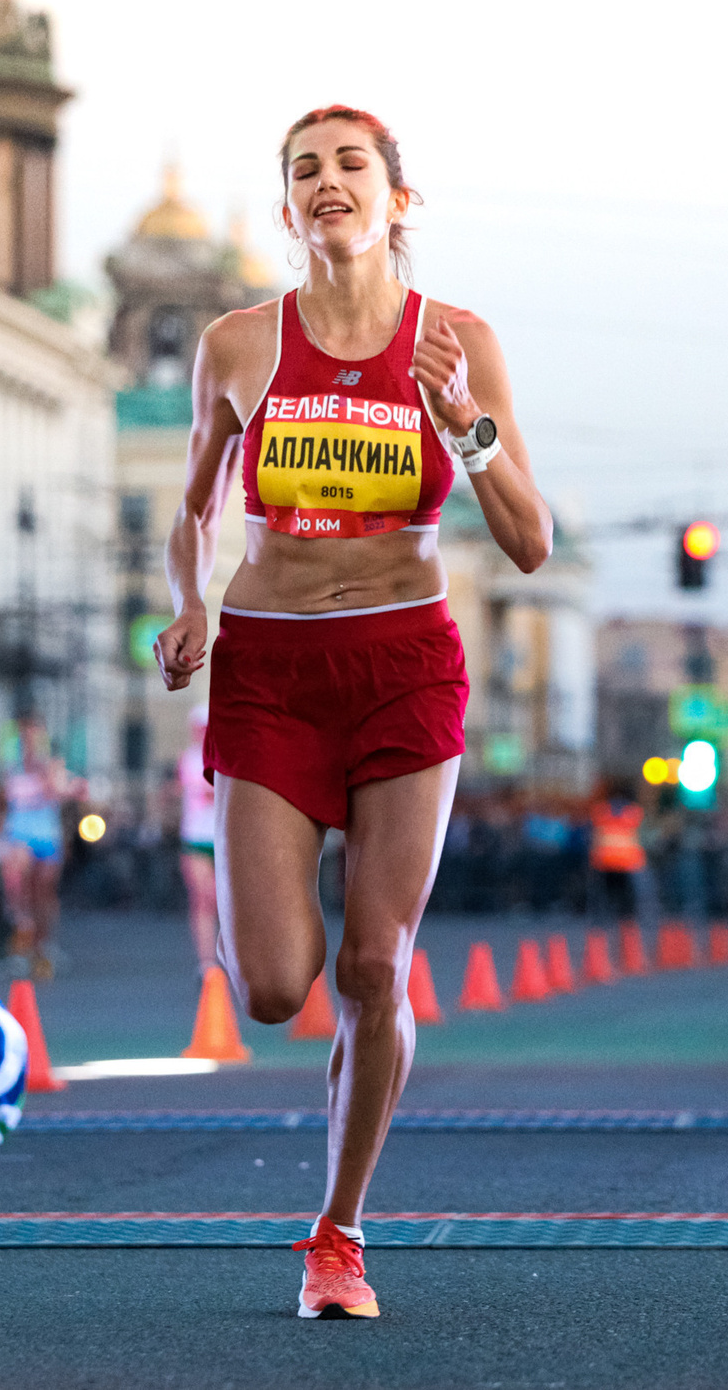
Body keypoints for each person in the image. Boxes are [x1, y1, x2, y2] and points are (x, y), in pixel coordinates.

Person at [154, 105, 553, 1319]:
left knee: (375, 964)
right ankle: (321, 1113)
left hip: (403, 663)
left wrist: (463, 427)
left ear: (397, 199)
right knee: (275, 987)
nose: (328, 185)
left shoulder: (458, 342)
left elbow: (530, 544)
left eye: (351, 166)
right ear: (288, 211)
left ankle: (339, 1233)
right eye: (304, 172)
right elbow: (191, 508)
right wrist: (191, 604)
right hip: (270, 668)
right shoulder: (235, 344)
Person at [0, 719, 75, 979]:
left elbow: (61, 792)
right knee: (22, 889)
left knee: (45, 891)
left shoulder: (52, 767)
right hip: (21, 835)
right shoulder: (12, 769)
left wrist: (48, 773)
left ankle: (44, 944)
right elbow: (3, 801)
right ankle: (23, 943)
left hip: (48, 836)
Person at [178, 708, 220, 974]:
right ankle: (207, 963)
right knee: (202, 899)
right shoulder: (190, 759)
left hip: (225, 839)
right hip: (196, 838)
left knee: (222, 901)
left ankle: (227, 957)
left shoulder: (228, 757)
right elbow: (208, 792)